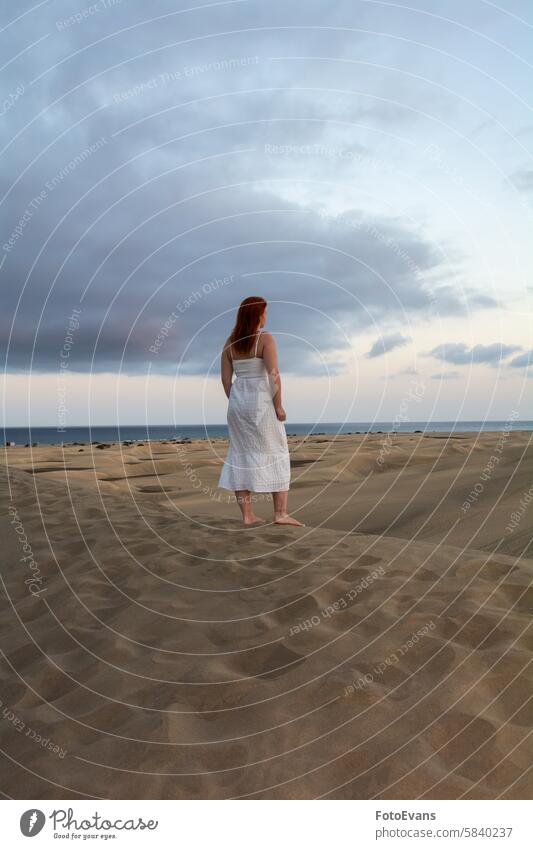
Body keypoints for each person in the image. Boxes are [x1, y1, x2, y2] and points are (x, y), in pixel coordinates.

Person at [218, 296, 304, 526]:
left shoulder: (229, 343)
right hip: (262, 401)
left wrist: (237, 401)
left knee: (241, 454)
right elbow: (273, 374)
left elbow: (226, 381)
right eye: (265, 312)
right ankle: (280, 513)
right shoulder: (265, 339)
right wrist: (278, 405)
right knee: (276, 450)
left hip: (237, 403)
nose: (267, 316)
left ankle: (247, 515)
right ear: (258, 315)